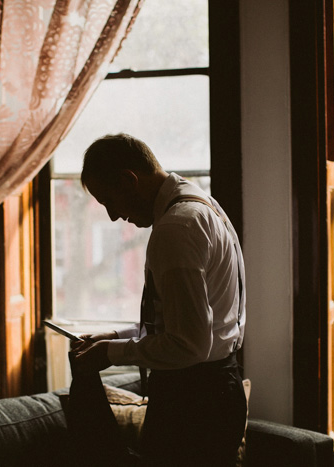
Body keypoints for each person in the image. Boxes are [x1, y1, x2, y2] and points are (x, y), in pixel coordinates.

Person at [68, 133, 247, 466]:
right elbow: (186, 320)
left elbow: (189, 345)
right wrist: (119, 335)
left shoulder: (175, 229)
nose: (111, 216)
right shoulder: (201, 205)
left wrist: (111, 353)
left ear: (128, 180)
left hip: (194, 403)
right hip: (218, 391)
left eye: (109, 200)